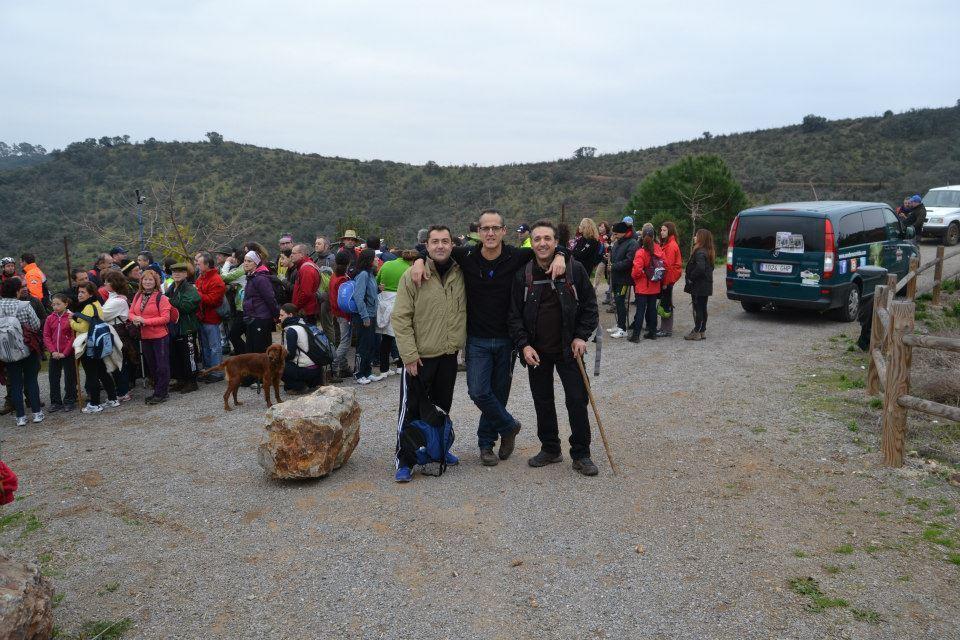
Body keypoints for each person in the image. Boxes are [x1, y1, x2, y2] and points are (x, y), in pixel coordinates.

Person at [408, 209, 566, 466]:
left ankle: (485, 444)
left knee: (498, 394)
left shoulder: (516, 255)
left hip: (507, 339)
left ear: (504, 231)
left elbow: (546, 250)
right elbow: (434, 250)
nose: (490, 233)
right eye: (485, 229)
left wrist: (560, 254)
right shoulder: (466, 255)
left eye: (495, 228)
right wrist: (419, 259)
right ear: (478, 233)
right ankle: (509, 425)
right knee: (479, 391)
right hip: (477, 338)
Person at [507, 220, 599, 476]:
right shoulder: (523, 274)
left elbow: (590, 307)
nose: (542, 243)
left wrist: (581, 336)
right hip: (537, 351)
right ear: (531, 243)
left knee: (577, 401)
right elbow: (513, 316)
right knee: (542, 400)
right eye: (537, 239)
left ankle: (581, 454)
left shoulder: (574, 269)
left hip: (570, 349)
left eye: (547, 238)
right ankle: (550, 448)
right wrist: (524, 345)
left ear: (556, 242)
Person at [391, 225, 465, 482]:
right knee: (410, 409)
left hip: (447, 355)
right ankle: (405, 459)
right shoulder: (412, 275)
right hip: (419, 357)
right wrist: (409, 355)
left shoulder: (459, 273)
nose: (441, 246)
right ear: (427, 245)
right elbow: (400, 317)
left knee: (441, 408)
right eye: (435, 242)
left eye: (445, 241)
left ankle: (437, 450)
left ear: (452, 245)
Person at [70, 281, 120, 414]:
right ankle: (113, 398)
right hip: (100, 343)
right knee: (102, 372)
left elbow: (83, 327)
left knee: (91, 374)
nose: (79, 295)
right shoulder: (97, 304)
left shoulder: (87, 307)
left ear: (90, 293)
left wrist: (70, 321)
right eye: (79, 292)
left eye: (83, 292)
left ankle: (95, 403)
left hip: (88, 344)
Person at [1, 278, 42, 425]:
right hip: (27, 347)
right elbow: (36, 325)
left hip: (7, 351)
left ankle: (20, 417)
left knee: (15, 382)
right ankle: (37, 413)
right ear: (17, 291)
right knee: (31, 380)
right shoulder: (24, 305)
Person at [128, 269, 172, 404]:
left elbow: (165, 318)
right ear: (141, 281)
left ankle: (161, 393)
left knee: (162, 365)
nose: (147, 282)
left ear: (156, 282)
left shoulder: (161, 298)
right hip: (145, 336)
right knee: (152, 365)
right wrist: (134, 318)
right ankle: (158, 391)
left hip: (159, 336)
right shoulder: (137, 296)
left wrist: (144, 321)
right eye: (145, 279)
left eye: (150, 280)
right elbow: (130, 313)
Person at [375, 250, 415, 378]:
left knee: (386, 338)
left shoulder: (386, 265)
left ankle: (384, 369)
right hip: (400, 302)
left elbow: (377, 281)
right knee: (401, 336)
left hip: (384, 302)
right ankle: (400, 366)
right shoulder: (409, 268)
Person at [166, 263, 201, 394]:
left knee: (189, 355)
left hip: (187, 327)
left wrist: (169, 301)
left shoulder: (190, 288)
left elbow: (187, 306)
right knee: (176, 355)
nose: (177, 274)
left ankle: (192, 382)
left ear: (186, 274)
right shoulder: (171, 287)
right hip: (175, 327)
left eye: (180, 271)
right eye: (174, 272)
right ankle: (181, 380)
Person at [100, 270, 133, 401]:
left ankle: (123, 391)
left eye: (107, 281)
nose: (104, 283)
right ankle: (121, 389)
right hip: (115, 330)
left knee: (119, 361)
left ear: (114, 283)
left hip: (118, 332)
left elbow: (102, 315)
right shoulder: (115, 297)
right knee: (117, 361)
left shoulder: (117, 301)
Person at [194, 252, 226, 382]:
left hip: (211, 319)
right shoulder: (201, 277)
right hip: (202, 317)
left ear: (206, 265)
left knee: (214, 346)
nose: (196, 265)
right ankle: (208, 370)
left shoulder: (216, 280)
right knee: (205, 347)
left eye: (199, 263)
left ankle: (217, 372)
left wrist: (196, 293)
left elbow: (213, 300)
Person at [278, 303, 324, 393]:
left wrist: (279, 358)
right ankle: (312, 383)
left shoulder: (292, 330)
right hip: (317, 370)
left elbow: (290, 355)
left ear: (290, 315)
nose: (279, 318)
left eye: (282, 315)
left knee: (278, 364)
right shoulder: (305, 325)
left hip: (306, 371)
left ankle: (298, 386)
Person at [629, 225, 664, 342]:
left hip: (642, 286)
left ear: (642, 236)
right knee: (652, 309)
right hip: (654, 285)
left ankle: (636, 335)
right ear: (654, 236)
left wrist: (635, 276)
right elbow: (665, 265)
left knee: (640, 310)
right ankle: (652, 332)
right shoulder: (659, 249)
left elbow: (636, 271)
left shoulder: (641, 252)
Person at [43, 293, 77, 413]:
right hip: (54, 353)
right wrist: (52, 351)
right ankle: (55, 402)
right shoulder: (50, 318)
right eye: (53, 304)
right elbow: (46, 335)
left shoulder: (70, 317)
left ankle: (70, 400)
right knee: (53, 377)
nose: (55, 307)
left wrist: (65, 352)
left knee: (69, 377)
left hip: (67, 353)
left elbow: (73, 336)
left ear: (66, 304)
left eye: (58, 304)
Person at [351, 249, 381, 385]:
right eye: (374, 257)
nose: (377, 260)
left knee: (370, 344)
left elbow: (370, 294)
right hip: (364, 315)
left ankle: (367, 372)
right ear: (369, 260)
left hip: (371, 314)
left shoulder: (370, 274)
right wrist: (364, 317)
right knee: (362, 345)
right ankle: (358, 373)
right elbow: (358, 296)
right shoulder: (363, 274)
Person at [241, 250, 278, 356]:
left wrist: (276, 315)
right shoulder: (251, 277)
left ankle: (264, 372)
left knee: (261, 351)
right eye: (245, 260)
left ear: (256, 263)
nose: (246, 263)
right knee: (252, 351)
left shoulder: (261, 278)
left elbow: (270, 298)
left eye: (249, 261)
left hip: (261, 318)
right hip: (252, 317)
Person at [607, 222, 638, 339]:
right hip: (615, 277)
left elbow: (629, 261)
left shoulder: (632, 243)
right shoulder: (618, 242)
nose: (614, 236)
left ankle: (623, 329)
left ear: (623, 232)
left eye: (616, 233)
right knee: (617, 301)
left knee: (620, 301)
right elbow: (615, 257)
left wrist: (613, 266)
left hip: (625, 279)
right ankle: (620, 324)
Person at [684, 229, 715, 341]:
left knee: (698, 308)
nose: (694, 238)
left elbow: (701, 268)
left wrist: (691, 276)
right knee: (703, 307)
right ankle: (702, 330)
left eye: (696, 236)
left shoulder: (700, 252)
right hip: (705, 284)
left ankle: (696, 331)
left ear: (701, 238)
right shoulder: (708, 251)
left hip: (699, 285)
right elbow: (711, 268)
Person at [328, 252, 352, 381]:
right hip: (344, 315)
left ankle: (344, 368)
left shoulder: (334, 276)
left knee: (341, 340)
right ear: (348, 263)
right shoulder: (343, 279)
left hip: (336, 313)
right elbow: (346, 300)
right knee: (345, 342)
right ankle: (333, 368)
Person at [657, 221, 683, 337]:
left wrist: (665, 283)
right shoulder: (666, 244)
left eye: (664, 230)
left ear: (670, 231)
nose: (661, 232)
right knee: (665, 303)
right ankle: (664, 328)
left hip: (668, 280)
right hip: (667, 279)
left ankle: (666, 330)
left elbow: (668, 267)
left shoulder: (671, 246)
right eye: (661, 230)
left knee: (666, 304)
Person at [290, 244, 321, 324]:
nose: (291, 256)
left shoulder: (306, 269)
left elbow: (306, 293)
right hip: (306, 310)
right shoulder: (305, 266)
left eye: (293, 253)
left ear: (301, 255)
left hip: (306, 312)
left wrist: (296, 307)